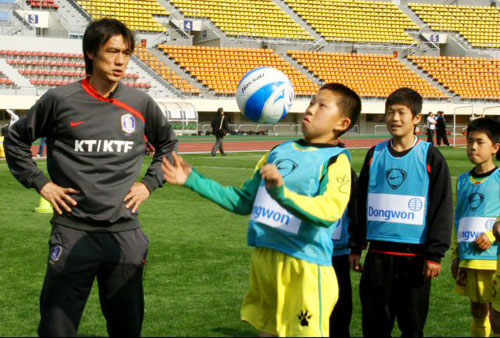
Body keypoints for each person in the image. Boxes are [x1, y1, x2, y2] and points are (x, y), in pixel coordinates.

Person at [4, 18, 177, 337]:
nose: (120, 60)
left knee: (127, 329)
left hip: (124, 235)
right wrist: (41, 183)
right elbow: (15, 140)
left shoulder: (140, 103)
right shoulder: (60, 100)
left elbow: (168, 145)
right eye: (112, 51)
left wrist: (148, 183)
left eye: (126, 52)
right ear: (90, 52)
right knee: (57, 329)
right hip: (72, 232)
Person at [162, 83, 361, 336]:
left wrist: (282, 194)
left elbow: (328, 211)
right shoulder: (278, 151)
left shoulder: (336, 160)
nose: (311, 109)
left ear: (342, 124)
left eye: (322, 105)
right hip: (265, 260)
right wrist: (193, 180)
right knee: (267, 332)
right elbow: (244, 200)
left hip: (305, 265)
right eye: (312, 102)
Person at [349, 88, 453, 337]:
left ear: (417, 118)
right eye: (389, 113)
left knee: (412, 327)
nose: (394, 118)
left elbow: (442, 206)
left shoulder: (430, 155)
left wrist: (434, 254)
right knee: (374, 327)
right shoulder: (375, 154)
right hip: (378, 257)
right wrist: (355, 246)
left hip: (415, 259)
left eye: (401, 113)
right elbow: (360, 202)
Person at [451, 117, 500, 337]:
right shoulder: (462, 180)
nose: (472, 147)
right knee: (478, 311)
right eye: (470, 141)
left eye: (480, 142)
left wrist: (492, 235)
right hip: (470, 257)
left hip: (494, 257)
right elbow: (458, 218)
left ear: (495, 147)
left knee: (497, 317)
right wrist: (455, 254)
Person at [329, 160, 358, 338]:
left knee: (340, 309)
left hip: (338, 254)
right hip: (307, 254)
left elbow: (355, 208)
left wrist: (355, 246)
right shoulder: (306, 163)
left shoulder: (345, 168)